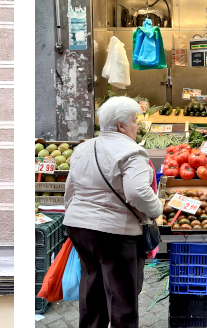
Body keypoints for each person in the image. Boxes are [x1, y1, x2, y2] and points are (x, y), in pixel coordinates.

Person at [63, 96, 162, 328]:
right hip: (115, 234)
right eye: (134, 121)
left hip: (79, 229)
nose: (137, 126)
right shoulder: (132, 151)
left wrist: (76, 217)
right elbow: (137, 192)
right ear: (121, 125)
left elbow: (70, 189)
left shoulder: (83, 148)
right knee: (122, 298)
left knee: (92, 287)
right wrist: (157, 209)